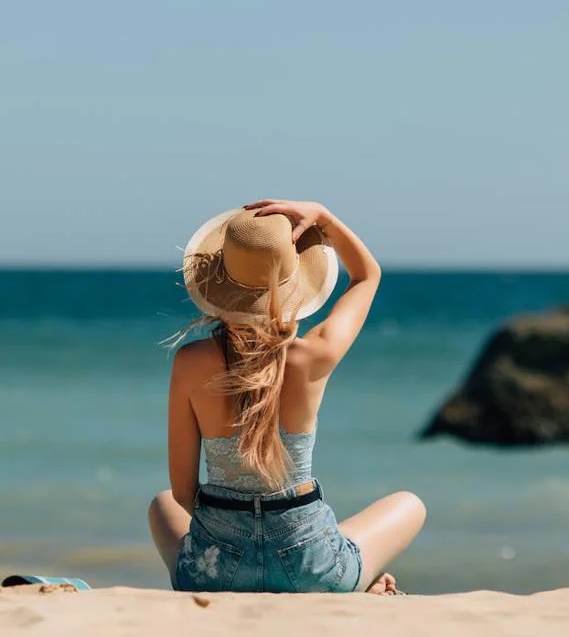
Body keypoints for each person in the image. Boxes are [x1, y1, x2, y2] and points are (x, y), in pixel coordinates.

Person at [148, 200, 426, 594]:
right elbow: (367, 276)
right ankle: (357, 579)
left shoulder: (191, 362)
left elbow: (182, 493)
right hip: (312, 567)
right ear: (297, 286)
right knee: (410, 504)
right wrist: (324, 217)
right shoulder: (315, 354)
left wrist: (233, 536)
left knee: (160, 504)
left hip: (216, 573)